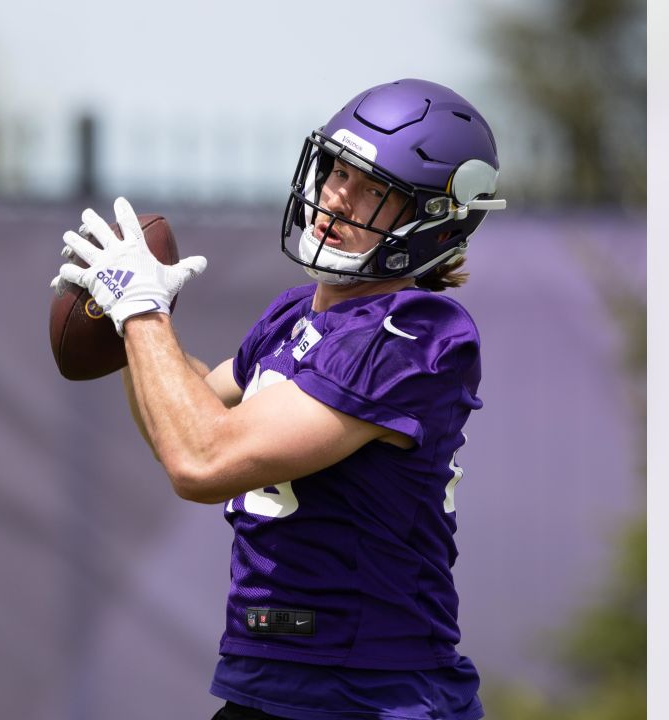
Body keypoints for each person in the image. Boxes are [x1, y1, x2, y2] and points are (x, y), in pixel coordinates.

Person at [52, 78, 507, 720]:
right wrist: (130, 324)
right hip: (268, 685)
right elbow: (179, 421)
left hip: (373, 697)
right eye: (337, 172)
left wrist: (143, 313)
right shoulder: (295, 313)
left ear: (436, 221)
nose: (336, 199)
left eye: (375, 190)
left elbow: (202, 460)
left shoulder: (414, 332)